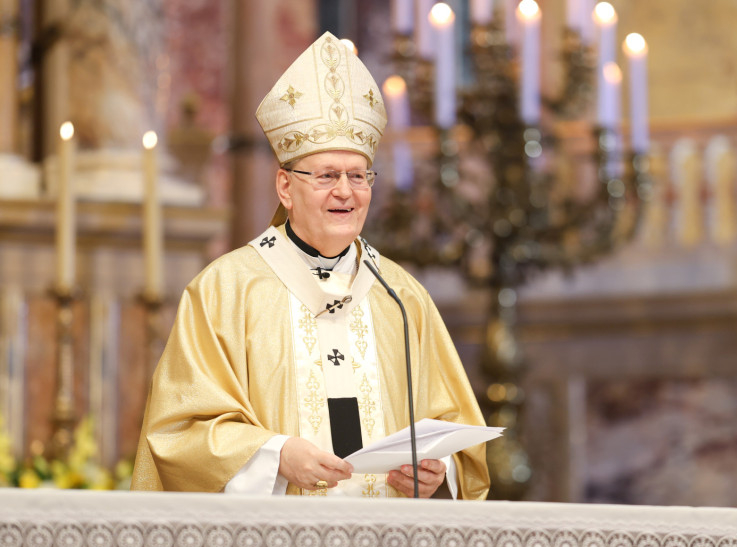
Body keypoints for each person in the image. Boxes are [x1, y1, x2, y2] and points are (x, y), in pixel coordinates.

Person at [131, 32, 490, 499]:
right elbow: (178, 432)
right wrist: (275, 456)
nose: (345, 191)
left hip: (385, 532)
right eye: (326, 176)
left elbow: (454, 429)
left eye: (358, 175)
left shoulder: (401, 295)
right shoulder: (225, 291)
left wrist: (437, 470)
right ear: (285, 187)